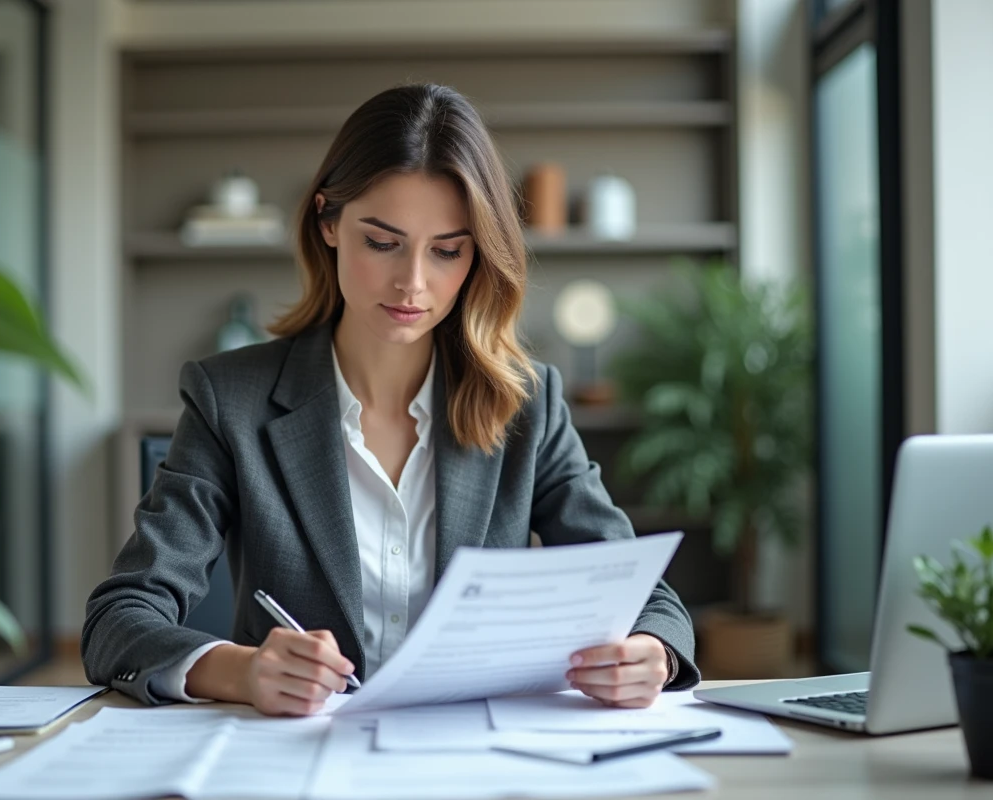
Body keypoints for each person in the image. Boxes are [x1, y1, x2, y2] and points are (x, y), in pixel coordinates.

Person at [82, 83, 699, 717]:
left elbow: (644, 595)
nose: (412, 282)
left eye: (448, 251)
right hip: (299, 759)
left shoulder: (527, 405)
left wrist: (651, 650)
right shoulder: (229, 401)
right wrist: (241, 670)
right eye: (382, 242)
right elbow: (118, 619)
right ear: (327, 222)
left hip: (480, 754)